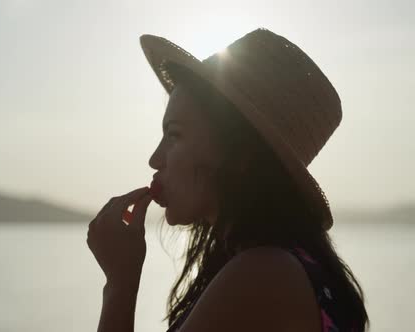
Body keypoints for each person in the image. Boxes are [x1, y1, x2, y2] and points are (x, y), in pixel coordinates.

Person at [86, 28, 369, 332]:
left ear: (240, 154)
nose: (155, 159)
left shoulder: (262, 274)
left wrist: (119, 285)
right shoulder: (290, 266)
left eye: (174, 134)